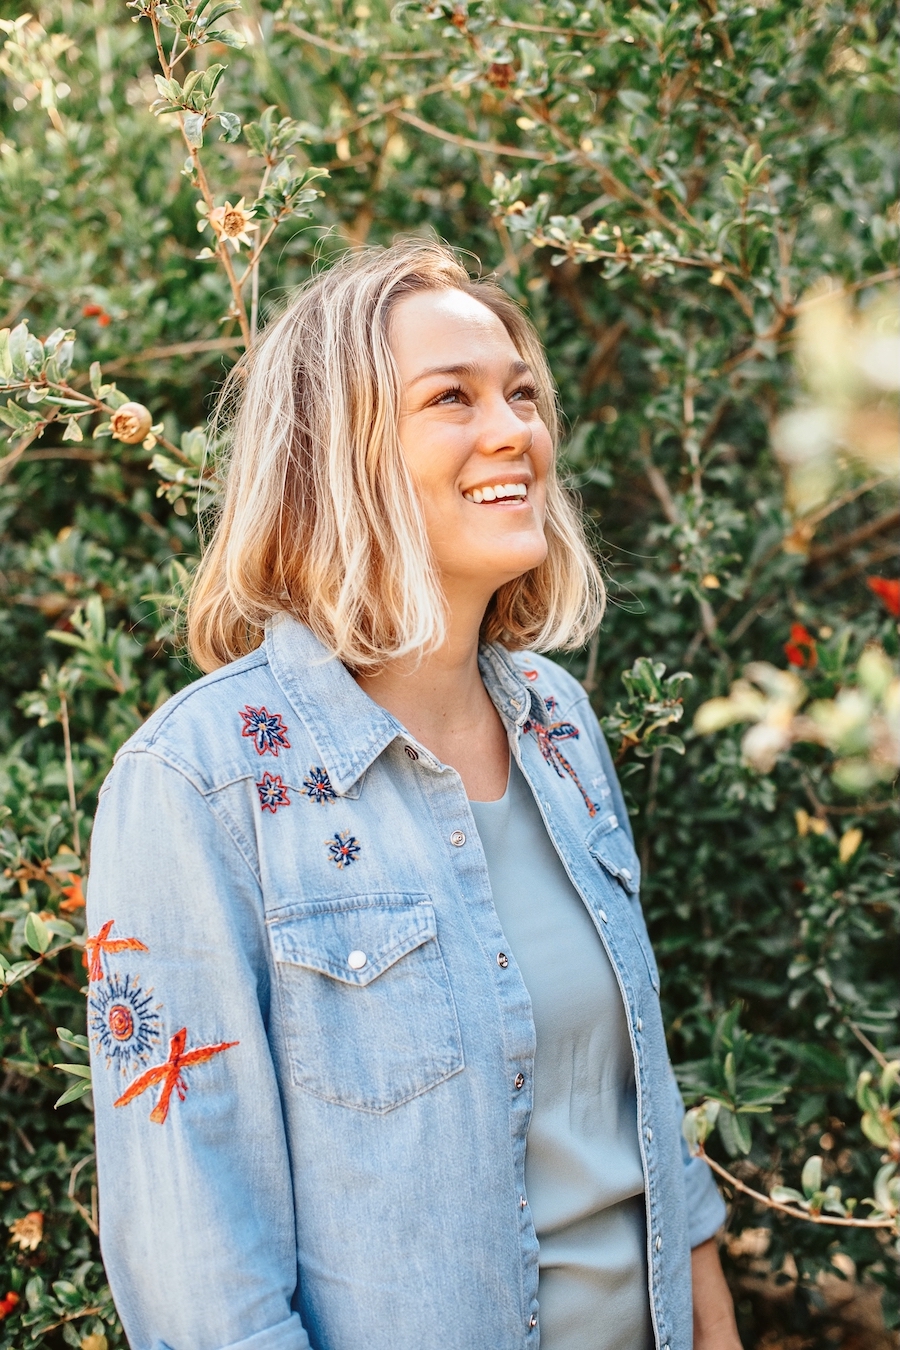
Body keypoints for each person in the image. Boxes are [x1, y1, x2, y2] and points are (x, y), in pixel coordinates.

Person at [86, 240, 742, 1350]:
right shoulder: (197, 788)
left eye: (522, 395)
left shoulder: (558, 722)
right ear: (334, 452)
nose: (516, 432)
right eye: (453, 397)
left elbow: (648, 1124)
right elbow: (202, 1285)